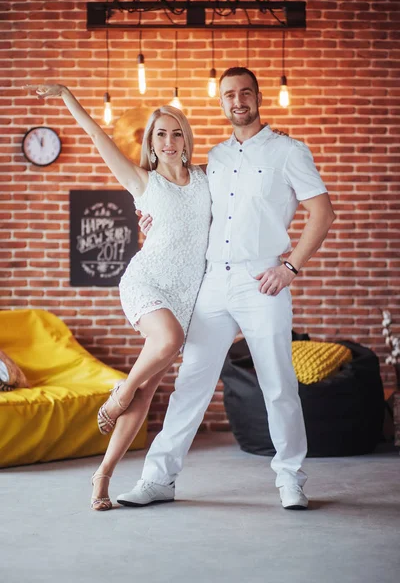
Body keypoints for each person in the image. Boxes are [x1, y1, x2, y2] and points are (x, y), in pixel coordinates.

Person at [116, 67, 336, 511]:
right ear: (221, 103)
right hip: (212, 281)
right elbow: (177, 203)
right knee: (190, 384)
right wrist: (151, 220)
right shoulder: (212, 159)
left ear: (258, 97)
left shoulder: (289, 152)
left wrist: (290, 267)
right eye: (228, 95)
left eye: (245, 93)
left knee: (277, 384)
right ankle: (159, 479)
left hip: (263, 281)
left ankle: (290, 478)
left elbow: (323, 212)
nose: (237, 101)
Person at [26, 83, 211, 511]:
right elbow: (97, 136)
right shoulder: (142, 181)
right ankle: (119, 394)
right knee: (165, 344)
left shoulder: (207, 177)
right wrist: (68, 95)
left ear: (186, 138)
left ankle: (102, 475)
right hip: (147, 281)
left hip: (185, 294)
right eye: (159, 134)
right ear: (150, 142)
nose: (168, 141)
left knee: (147, 393)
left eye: (175, 133)